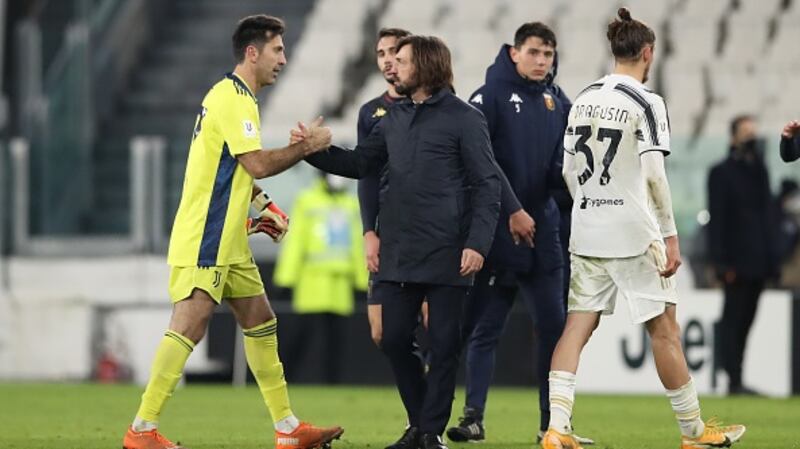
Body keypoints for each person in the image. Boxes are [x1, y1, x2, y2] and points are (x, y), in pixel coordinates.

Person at [122, 15, 342, 449]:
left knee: (261, 320)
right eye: (277, 50)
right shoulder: (234, 99)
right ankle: (142, 430)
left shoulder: (234, 97)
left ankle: (287, 429)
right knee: (191, 321)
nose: (284, 58)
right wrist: (306, 147)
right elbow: (257, 162)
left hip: (229, 237)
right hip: (208, 232)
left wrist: (262, 205)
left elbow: (235, 169)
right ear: (252, 52)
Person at [541, 9, 746, 449]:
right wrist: (669, 234)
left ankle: (556, 428)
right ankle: (694, 434)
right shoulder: (647, 102)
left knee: (576, 326)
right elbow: (654, 175)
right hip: (634, 232)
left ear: (614, 49)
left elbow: (568, 170)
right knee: (665, 330)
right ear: (648, 52)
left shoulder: (583, 97)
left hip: (587, 229)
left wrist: (592, 207)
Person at [299, 35, 502, 449]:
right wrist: (311, 151)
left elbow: (487, 184)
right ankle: (420, 423)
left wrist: (477, 243)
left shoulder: (465, 118)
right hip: (400, 251)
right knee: (392, 340)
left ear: (425, 67)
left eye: (404, 61)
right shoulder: (392, 118)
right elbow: (359, 163)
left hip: (449, 252)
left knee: (444, 346)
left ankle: (428, 434)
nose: (394, 67)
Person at [446, 22, 592, 446]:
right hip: (496, 232)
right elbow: (479, 161)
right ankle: (472, 417)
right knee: (484, 328)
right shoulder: (487, 97)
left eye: (547, 55)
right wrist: (511, 209)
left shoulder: (555, 100)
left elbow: (561, 168)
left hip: (543, 235)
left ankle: (552, 425)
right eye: (534, 53)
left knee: (553, 328)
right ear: (514, 52)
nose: (541, 62)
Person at [273, 172, 368, 384]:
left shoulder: (351, 204)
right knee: (300, 338)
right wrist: (285, 280)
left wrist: (362, 281)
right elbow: (295, 242)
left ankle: (332, 385)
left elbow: (357, 245)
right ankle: (284, 382)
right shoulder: (307, 200)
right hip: (311, 283)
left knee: (337, 342)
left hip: (340, 285)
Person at [707, 115, 778, 396]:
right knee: (733, 320)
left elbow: (767, 217)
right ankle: (732, 377)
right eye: (746, 133)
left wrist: (772, 260)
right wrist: (720, 262)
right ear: (733, 137)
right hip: (735, 262)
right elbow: (718, 221)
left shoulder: (759, 171)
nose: (752, 138)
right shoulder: (721, 172)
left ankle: (737, 377)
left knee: (747, 321)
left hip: (758, 261)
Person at [356, 27, 411, 347]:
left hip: (428, 233)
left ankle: (431, 395)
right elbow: (367, 175)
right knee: (381, 332)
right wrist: (369, 231)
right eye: (381, 54)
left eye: (394, 52)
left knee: (436, 327)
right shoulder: (370, 112)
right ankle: (421, 389)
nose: (388, 60)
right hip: (387, 232)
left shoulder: (435, 106)